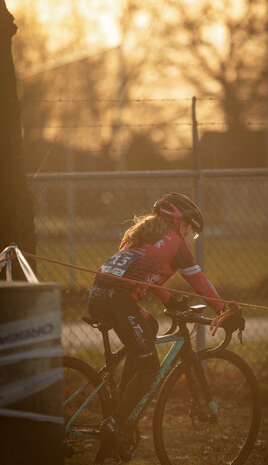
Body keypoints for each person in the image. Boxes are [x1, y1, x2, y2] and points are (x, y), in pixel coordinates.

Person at [87, 192, 244, 462]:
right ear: (180, 224)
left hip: (98, 297)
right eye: (191, 231)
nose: (189, 237)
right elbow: (200, 283)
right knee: (150, 366)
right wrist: (223, 311)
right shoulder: (175, 242)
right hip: (118, 301)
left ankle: (123, 403)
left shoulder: (143, 238)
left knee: (150, 324)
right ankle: (113, 424)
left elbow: (150, 279)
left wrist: (171, 301)